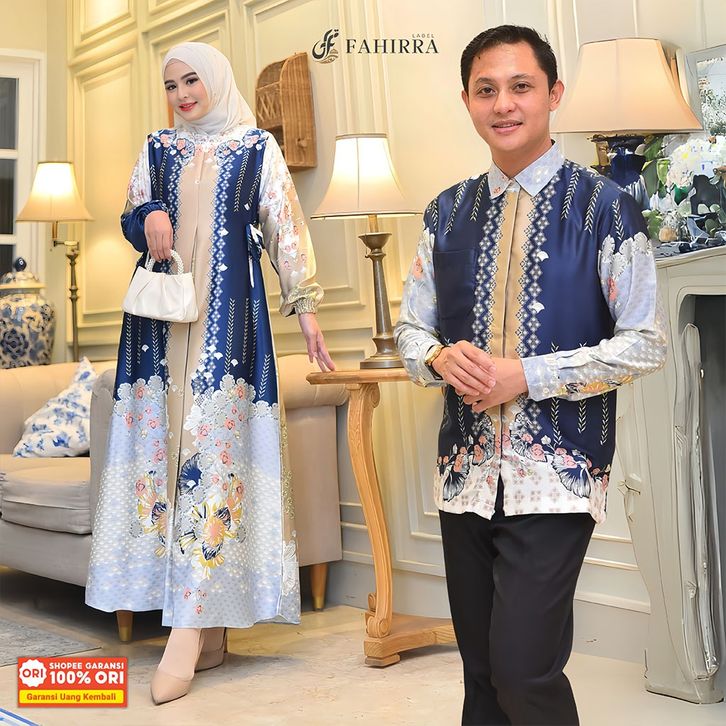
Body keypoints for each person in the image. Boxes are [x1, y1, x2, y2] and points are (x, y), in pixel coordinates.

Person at [395, 25, 667, 726]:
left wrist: (529, 375)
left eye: (521, 86)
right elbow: (410, 331)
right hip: (464, 474)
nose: (503, 104)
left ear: (554, 94)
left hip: (559, 473)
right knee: (482, 678)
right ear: (466, 100)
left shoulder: (604, 205)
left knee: (523, 671)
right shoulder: (444, 213)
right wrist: (437, 358)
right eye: (486, 89)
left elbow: (645, 344)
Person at [85, 41, 335, 705]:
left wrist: (307, 312)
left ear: (216, 80)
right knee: (164, 455)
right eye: (172, 85)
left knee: (211, 454)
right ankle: (211, 630)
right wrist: (148, 216)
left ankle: (189, 629)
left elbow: (285, 230)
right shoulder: (158, 148)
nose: (182, 94)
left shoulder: (256, 149)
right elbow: (130, 214)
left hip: (228, 322)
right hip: (159, 326)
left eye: (192, 80)